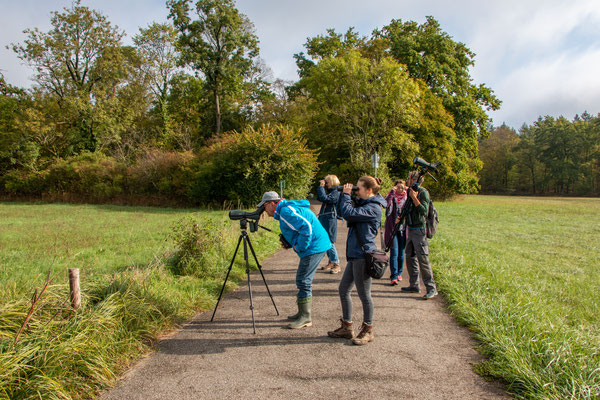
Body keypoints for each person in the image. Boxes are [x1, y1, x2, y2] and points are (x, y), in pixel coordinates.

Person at [327, 176, 386, 345]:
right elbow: (342, 211)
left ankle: (368, 330)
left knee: (364, 295)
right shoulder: (364, 204)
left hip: (362, 255)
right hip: (354, 254)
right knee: (343, 289)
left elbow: (348, 213)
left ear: (369, 190)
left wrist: (346, 195)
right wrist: (345, 194)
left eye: (358, 188)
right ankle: (347, 327)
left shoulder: (373, 208)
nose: (355, 191)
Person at [259, 191, 332, 329]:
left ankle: (305, 317)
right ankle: (302, 313)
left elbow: (306, 228)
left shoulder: (286, 211)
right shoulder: (287, 209)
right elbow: (299, 228)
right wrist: (290, 242)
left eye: (264, 206)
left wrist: (299, 247)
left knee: (304, 280)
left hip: (314, 247)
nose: (264, 209)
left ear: (272, 203)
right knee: (302, 279)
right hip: (317, 245)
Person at [400, 171, 438, 299]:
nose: (407, 180)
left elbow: (424, 211)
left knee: (422, 259)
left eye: (409, 178)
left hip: (419, 230)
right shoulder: (411, 191)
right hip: (410, 229)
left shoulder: (423, 193)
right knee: (410, 258)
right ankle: (414, 285)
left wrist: (414, 198)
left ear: (414, 179)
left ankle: (431, 288)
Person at [316, 175, 342, 274]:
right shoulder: (331, 192)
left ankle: (336, 263)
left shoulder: (336, 193)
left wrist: (321, 187)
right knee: (324, 240)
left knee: (329, 241)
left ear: (331, 182)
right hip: (324, 218)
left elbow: (324, 198)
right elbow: (320, 197)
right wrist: (321, 188)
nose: (325, 184)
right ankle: (331, 262)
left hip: (330, 219)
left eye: (326, 182)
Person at [384, 179, 407, 286]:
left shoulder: (408, 197)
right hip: (392, 228)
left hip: (403, 228)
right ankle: (393, 276)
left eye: (402, 187)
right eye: (398, 187)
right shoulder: (391, 196)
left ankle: (399, 273)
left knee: (401, 254)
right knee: (394, 253)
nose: (400, 189)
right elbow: (386, 204)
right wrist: (392, 193)